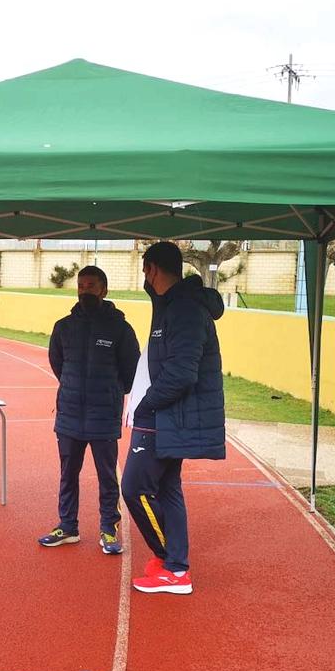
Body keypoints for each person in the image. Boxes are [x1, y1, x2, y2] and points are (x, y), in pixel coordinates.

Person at [122, 241, 226, 595]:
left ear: (151, 269)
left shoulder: (183, 310)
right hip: (163, 415)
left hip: (162, 415)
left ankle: (172, 562)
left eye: (145, 271)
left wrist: (146, 404)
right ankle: (174, 566)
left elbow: (183, 372)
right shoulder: (170, 305)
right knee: (167, 489)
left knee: (134, 488)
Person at [39, 265, 141, 555]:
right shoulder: (64, 327)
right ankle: (67, 526)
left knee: (107, 476)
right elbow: (58, 363)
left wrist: (109, 390)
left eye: (91, 285)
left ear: (104, 290)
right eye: (81, 286)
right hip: (69, 414)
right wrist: (74, 387)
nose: (85, 290)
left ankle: (109, 528)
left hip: (103, 415)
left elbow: (131, 371)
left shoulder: (120, 329)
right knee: (67, 474)